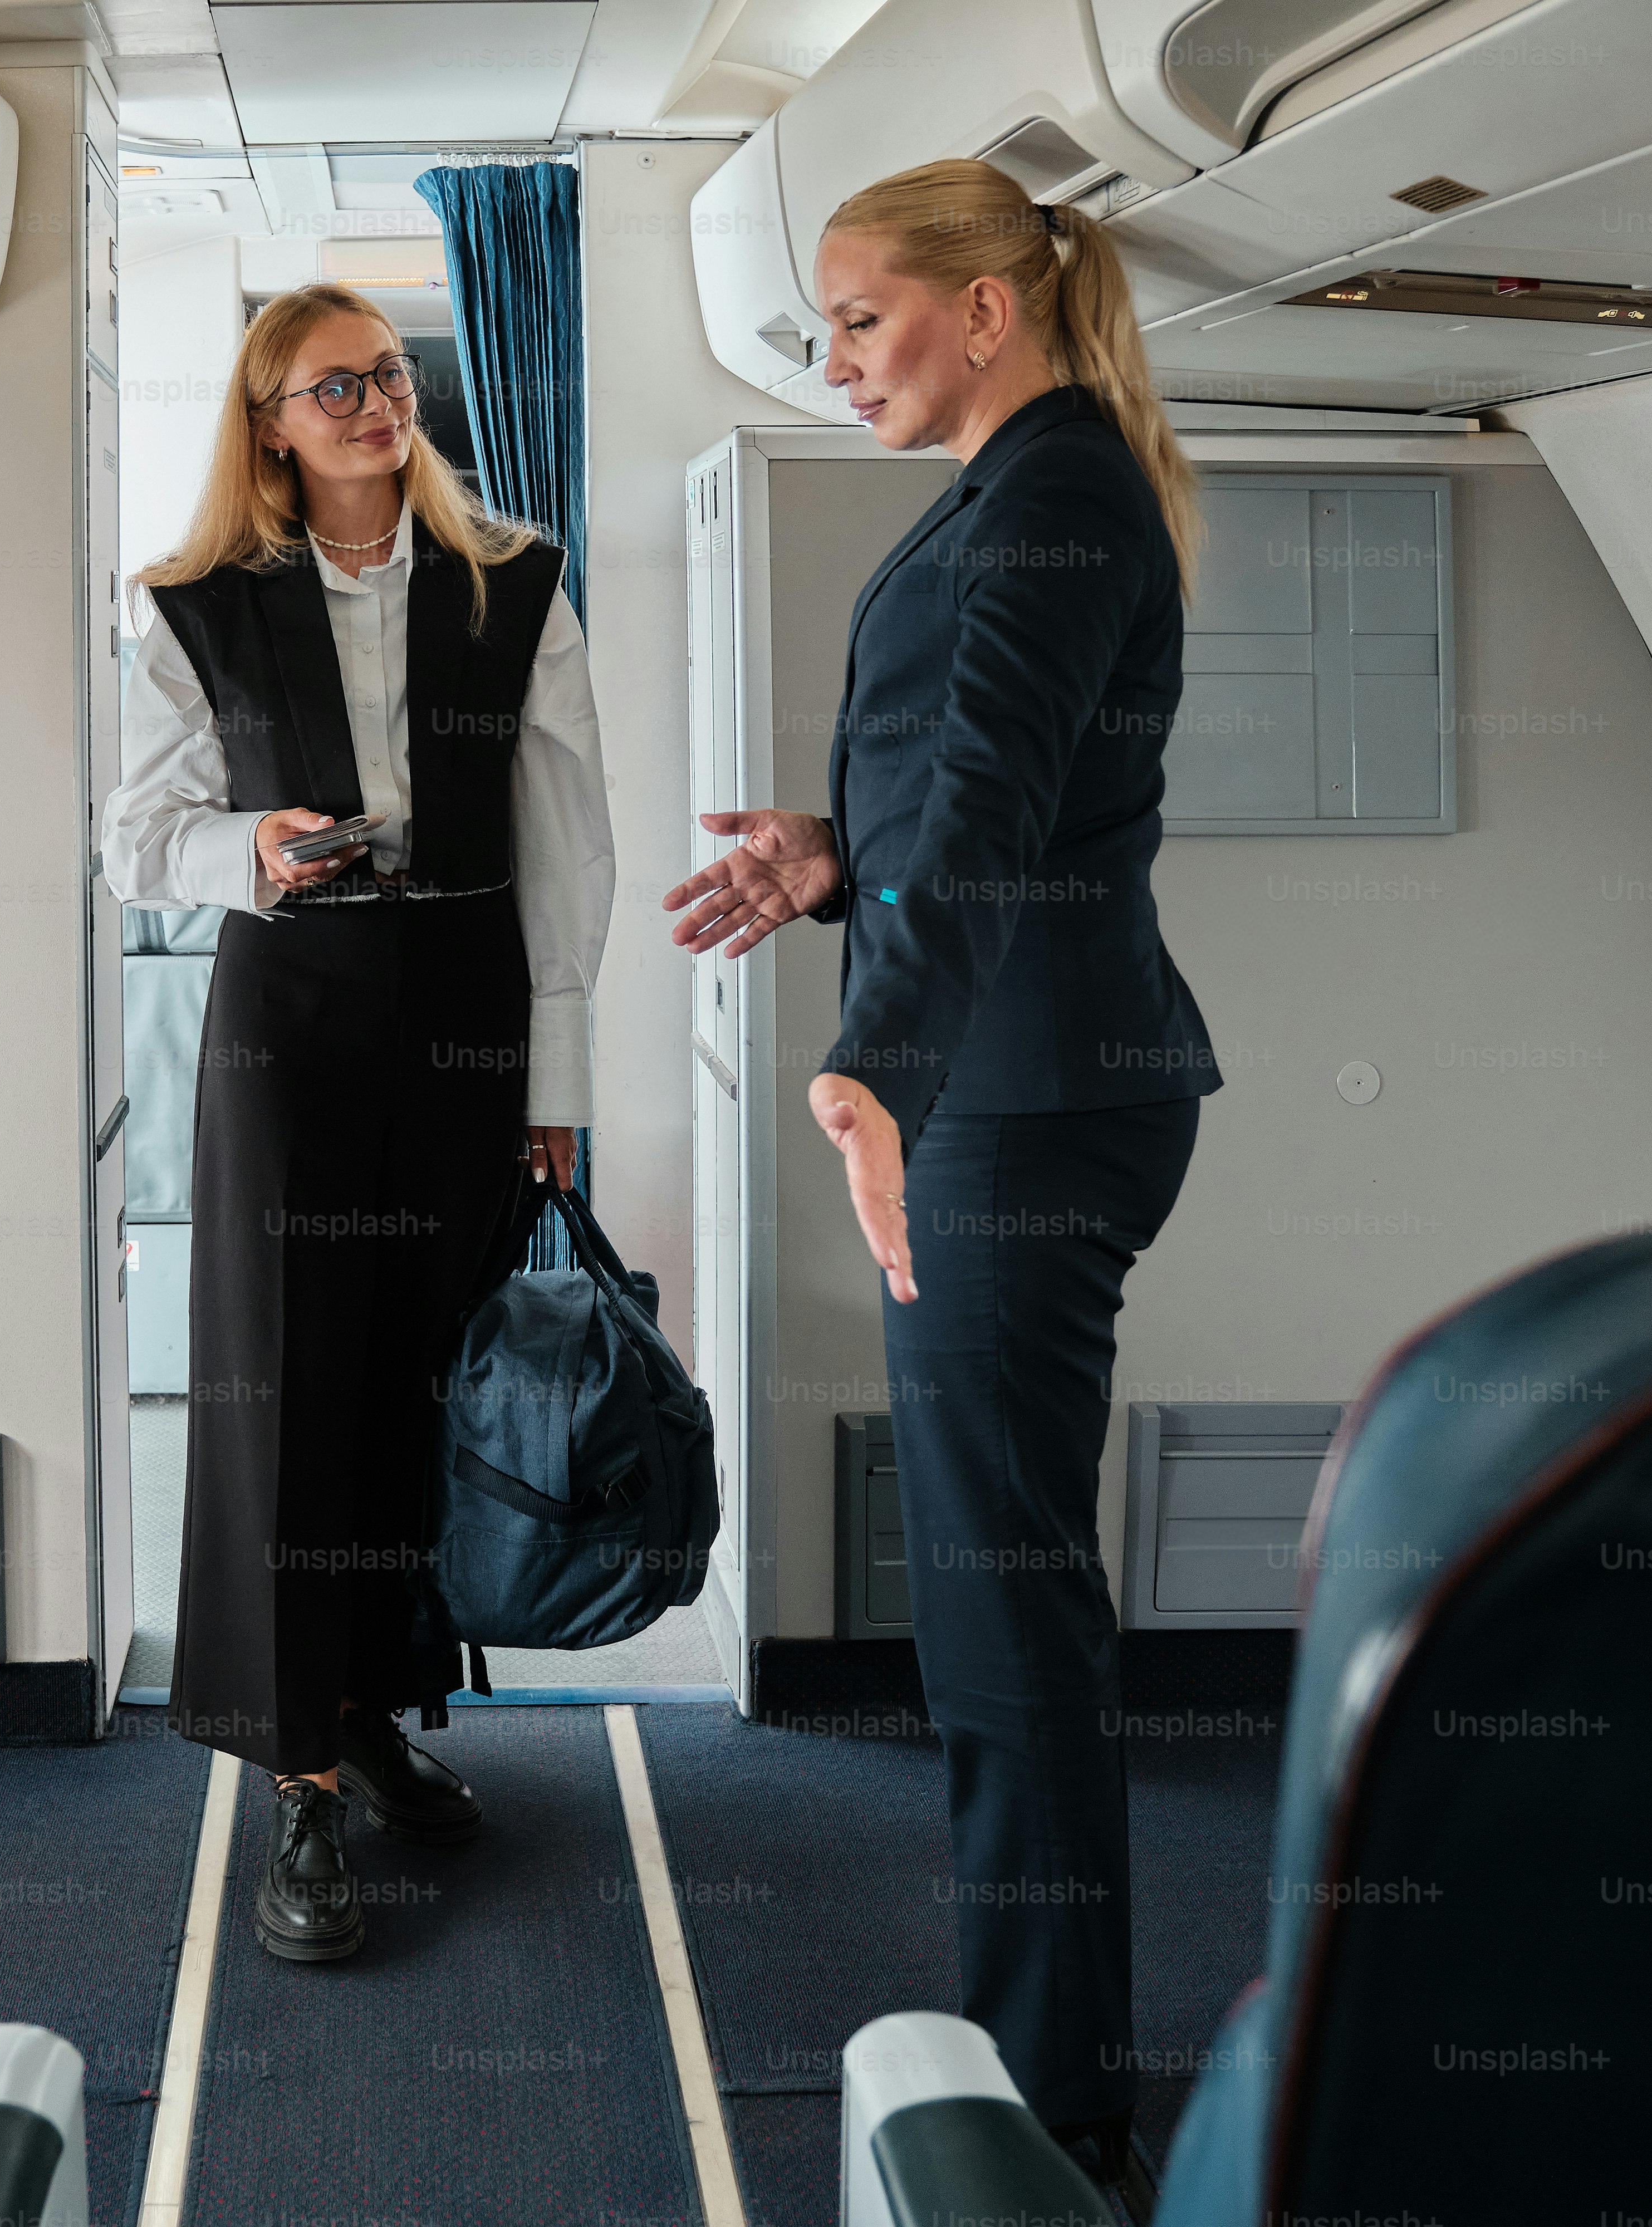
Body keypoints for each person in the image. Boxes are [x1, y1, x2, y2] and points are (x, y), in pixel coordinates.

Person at [661, 158, 1220, 2199]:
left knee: (1004, 1610)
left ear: (989, 311)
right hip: (1015, 1075)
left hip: (1016, 1098)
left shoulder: (1057, 493)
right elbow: (983, 797)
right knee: (998, 1593)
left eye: (863, 321)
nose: (838, 362)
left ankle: (1055, 2110)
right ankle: (1034, 2060)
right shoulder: (1029, 485)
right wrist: (828, 859)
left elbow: (988, 805)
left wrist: (876, 1061)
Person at [104, 283, 614, 1964]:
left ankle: (381, 1705)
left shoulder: (516, 579)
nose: (376, 402)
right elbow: (134, 837)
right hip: (292, 1016)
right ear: (266, 421)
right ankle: (295, 1775)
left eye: (388, 375)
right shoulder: (194, 606)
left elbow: (568, 839)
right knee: (282, 1385)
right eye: (335, 386)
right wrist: (244, 849)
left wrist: (557, 1088)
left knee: (421, 1374)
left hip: (467, 1009)